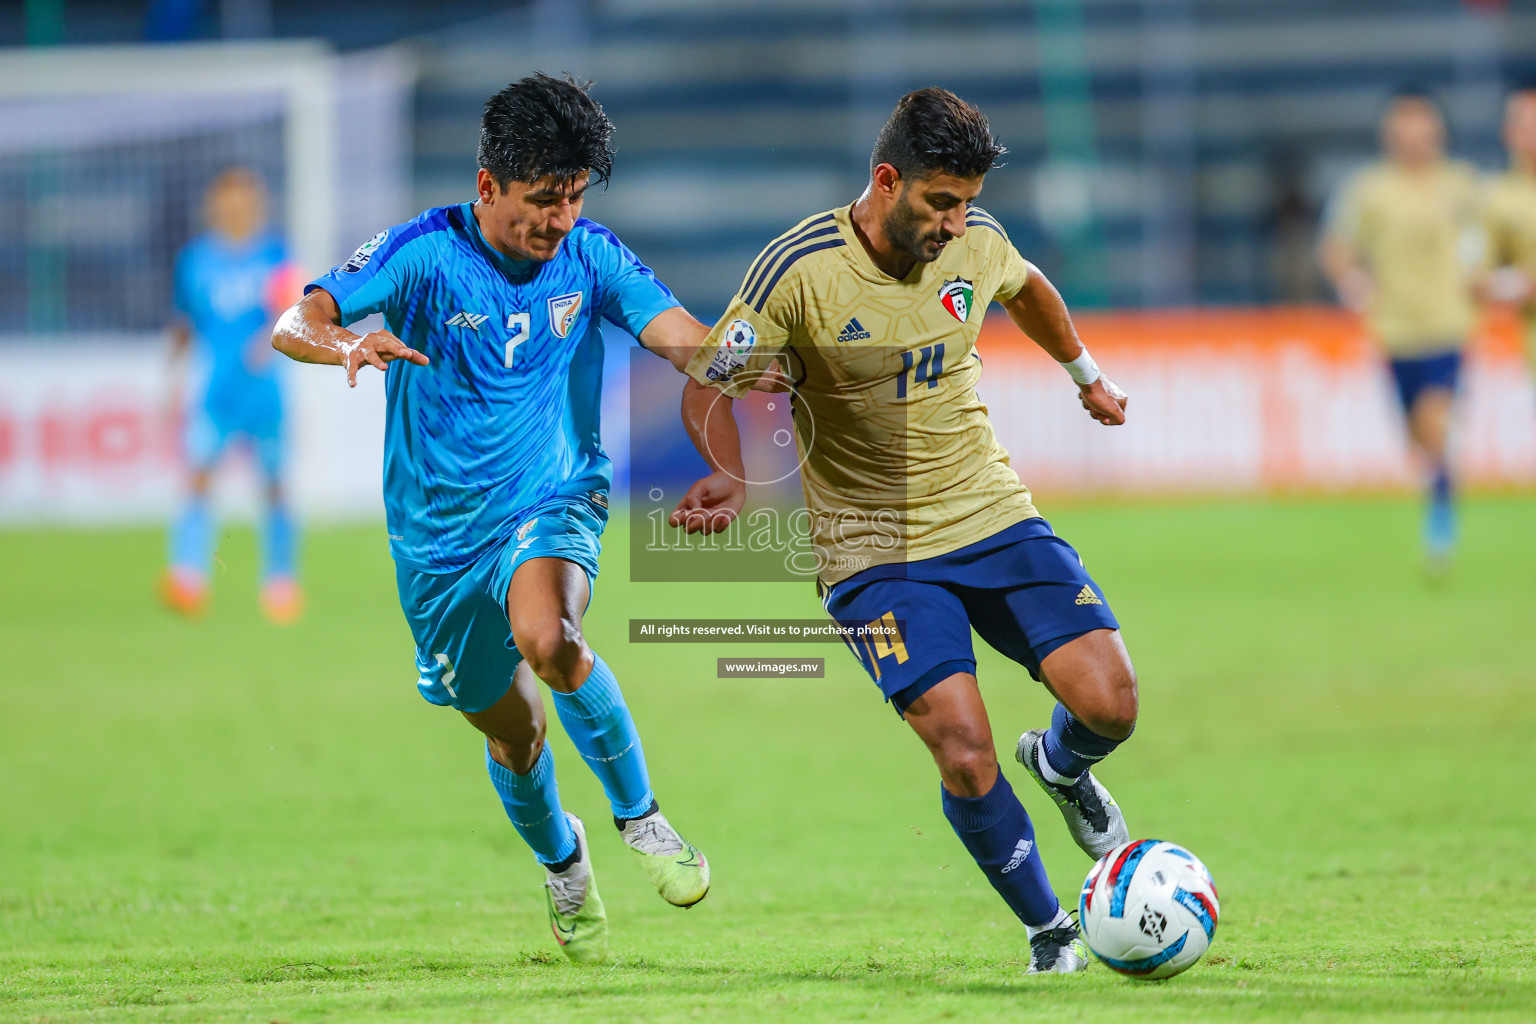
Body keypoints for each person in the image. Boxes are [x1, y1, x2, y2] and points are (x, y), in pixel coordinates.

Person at [670, 88, 1137, 974]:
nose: (957, 222)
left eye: (966, 202)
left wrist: (1085, 374)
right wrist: (734, 476)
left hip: (990, 513)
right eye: (940, 202)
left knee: (1112, 704)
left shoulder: (978, 243)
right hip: (870, 549)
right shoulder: (798, 269)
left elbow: (1027, 287)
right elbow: (710, 379)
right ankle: (1051, 933)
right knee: (962, 746)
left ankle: (1062, 766)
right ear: (887, 181)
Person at [271, 74, 719, 963]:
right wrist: (348, 342)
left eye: (573, 198)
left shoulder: (592, 257)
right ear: (488, 186)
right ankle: (565, 861)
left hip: (553, 497)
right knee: (513, 736)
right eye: (542, 201)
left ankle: (645, 818)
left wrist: (749, 359)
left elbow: (682, 338)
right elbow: (297, 319)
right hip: (435, 540)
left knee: (550, 637)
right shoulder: (421, 253)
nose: (557, 220)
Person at [1319, 89, 1482, 576]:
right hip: (1394, 330)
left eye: (1421, 123)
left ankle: (1441, 520)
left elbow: (1486, 241)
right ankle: (1439, 486)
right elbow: (1336, 246)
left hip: (1448, 324)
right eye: (1403, 123)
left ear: (1438, 129)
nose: (1412, 133)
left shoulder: (1462, 185)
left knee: (1436, 421)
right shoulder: (1370, 189)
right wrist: (1352, 281)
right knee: (1418, 437)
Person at [162, 167, 302, 623]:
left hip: (264, 394)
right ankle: (188, 578)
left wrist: (269, 340)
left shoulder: (276, 254)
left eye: (246, 197)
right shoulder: (196, 260)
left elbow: (294, 311)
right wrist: (171, 375)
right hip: (216, 394)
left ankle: (280, 584)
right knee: (199, 478)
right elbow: (185, 322)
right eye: (229, 198)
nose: (237, 206)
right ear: (215, 204)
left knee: (275, 486)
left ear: (257, 202)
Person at [1482, 80, 1536, 370]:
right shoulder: (1494, 199)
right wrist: (1520, 284)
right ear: (1508, 132)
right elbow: (1475, 279)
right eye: (1524, 121)